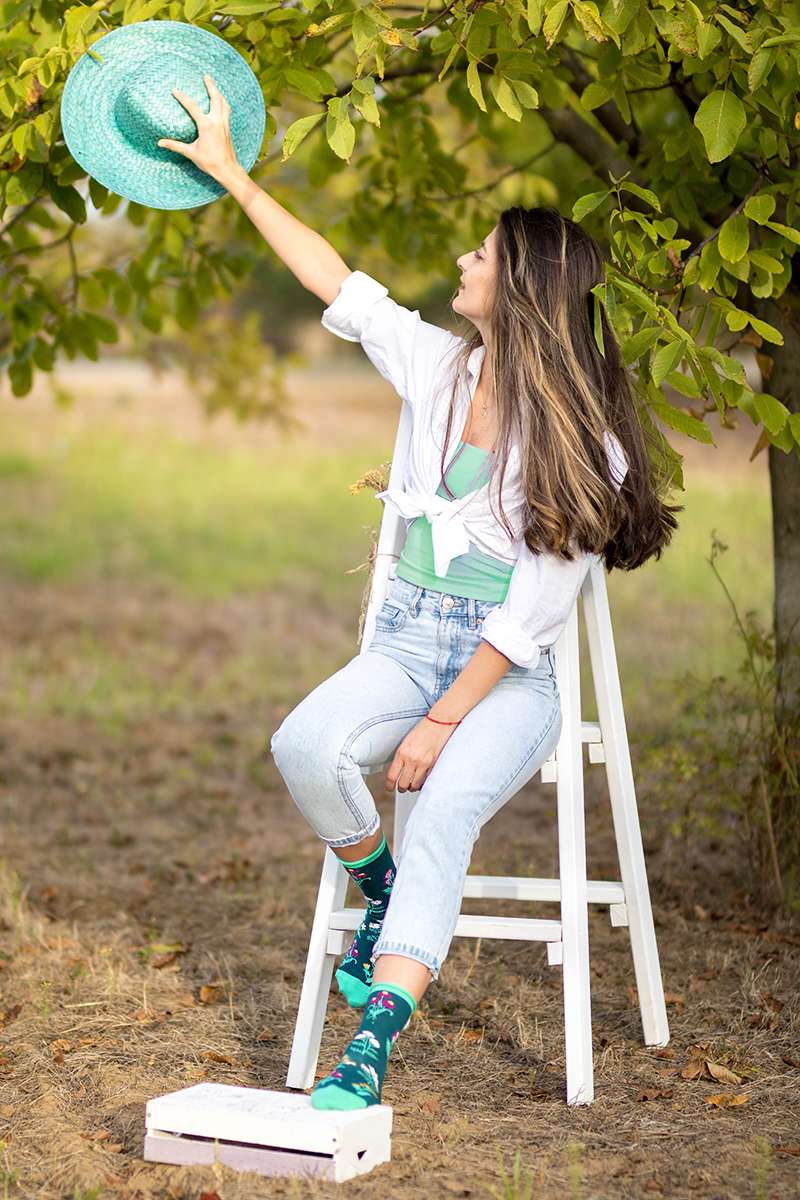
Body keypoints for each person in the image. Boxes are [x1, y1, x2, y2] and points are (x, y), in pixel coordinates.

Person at [160, 77, 682, 1111]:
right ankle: (383, 891)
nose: (461, 262)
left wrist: (441, 725)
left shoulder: (592, 445)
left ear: (519, 285)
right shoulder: (439, 366)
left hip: (505, 678)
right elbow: (333, 279)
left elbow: (532, 613)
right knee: (303, 746)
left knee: (439, 807)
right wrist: (225, 170)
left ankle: (372, 1042)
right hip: (406, 639)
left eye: (480, 253)